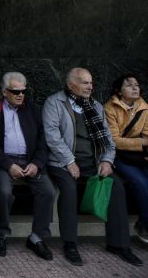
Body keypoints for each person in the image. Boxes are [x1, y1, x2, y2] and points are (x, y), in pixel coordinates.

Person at [43, 68, 143, 266]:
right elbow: (52, 137)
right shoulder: (54, 103)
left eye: (91, 83)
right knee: (69, 189)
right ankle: (70, 244)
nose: (90, 87)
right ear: (71, 85)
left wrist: (107, 161)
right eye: (85, 83)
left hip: (92, 162)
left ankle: (119, 244)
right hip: (62, 163)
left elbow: (108, 139)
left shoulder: (95, 106)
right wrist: (69, 161)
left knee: (116, 186)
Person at [0, 72, 55, 261]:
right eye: (16, 91)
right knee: (4, 192)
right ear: (4, 92)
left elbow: (42, 140)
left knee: (47, 191)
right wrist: (8, 165)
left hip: (30, 161)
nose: (21, 95)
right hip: (4, 162)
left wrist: (36, 163)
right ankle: (1, 235)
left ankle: (37, 237)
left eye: (23, 91)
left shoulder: (33, 110)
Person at [104, 74, 148, 244]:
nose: (135, 88)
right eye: (129, 85)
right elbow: (114, 140)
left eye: (136, 84)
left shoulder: (144, 107)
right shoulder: (110, 108)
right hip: (118, 156)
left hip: (140, 156)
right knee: (141, 183)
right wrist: (140, 143)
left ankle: (142, 222)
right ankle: (146, 226)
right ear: (119, 91)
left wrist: (138, 143)